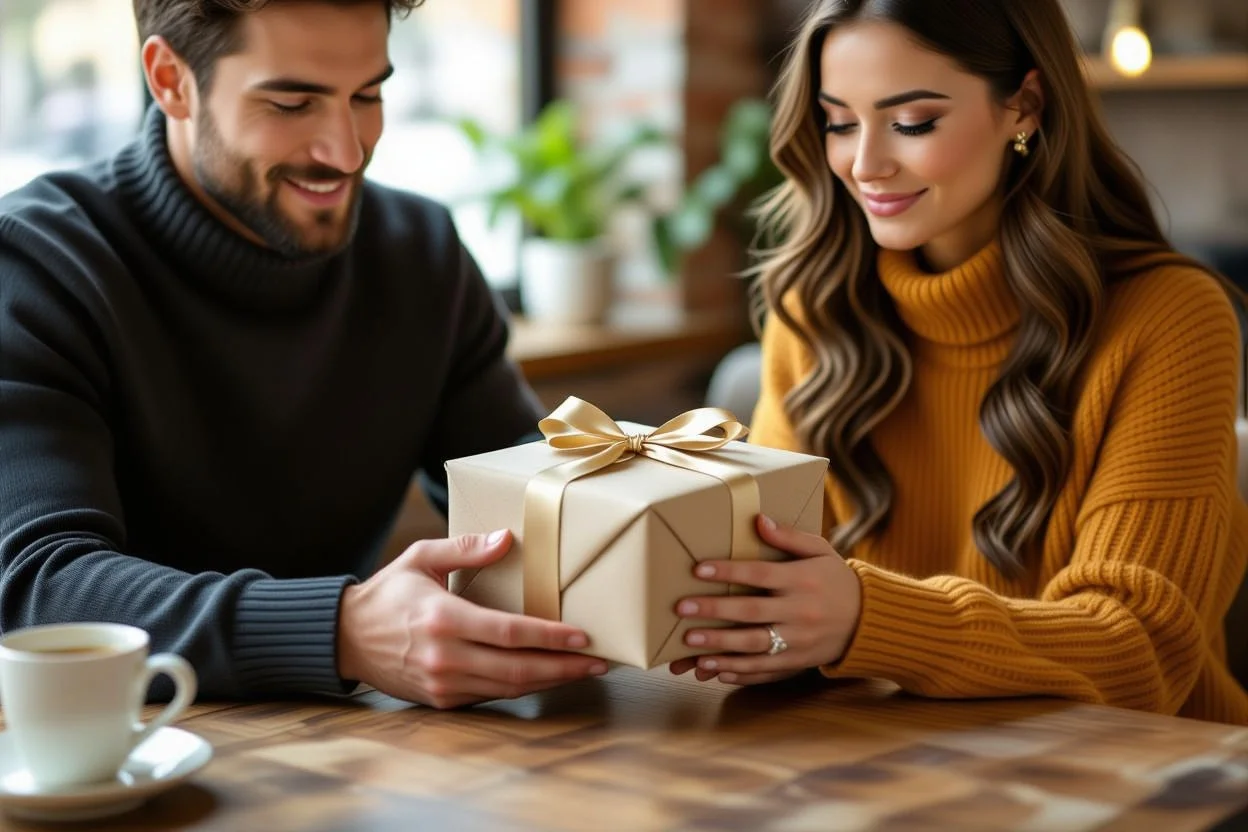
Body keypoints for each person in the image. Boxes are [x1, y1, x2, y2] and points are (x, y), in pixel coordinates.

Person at [0, 0, 609, 710]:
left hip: (339, 763)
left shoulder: (422, 253)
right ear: (170, 80)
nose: (346, 152)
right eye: (292, 103)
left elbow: (532, 502)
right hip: (111, 759)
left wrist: (719, 570)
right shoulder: (38, 265)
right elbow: (36, 586)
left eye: (368, 95)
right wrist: (340, 631)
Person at [670, 0, 1248, 724]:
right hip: (880, 762)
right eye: (839, 121)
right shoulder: (815, 311)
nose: (864, 163)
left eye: (912, 122)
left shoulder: (1169, 319)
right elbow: (773, 586)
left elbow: (1142, 652)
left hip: (1145, 780)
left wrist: (866, 620)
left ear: (1025, 107)